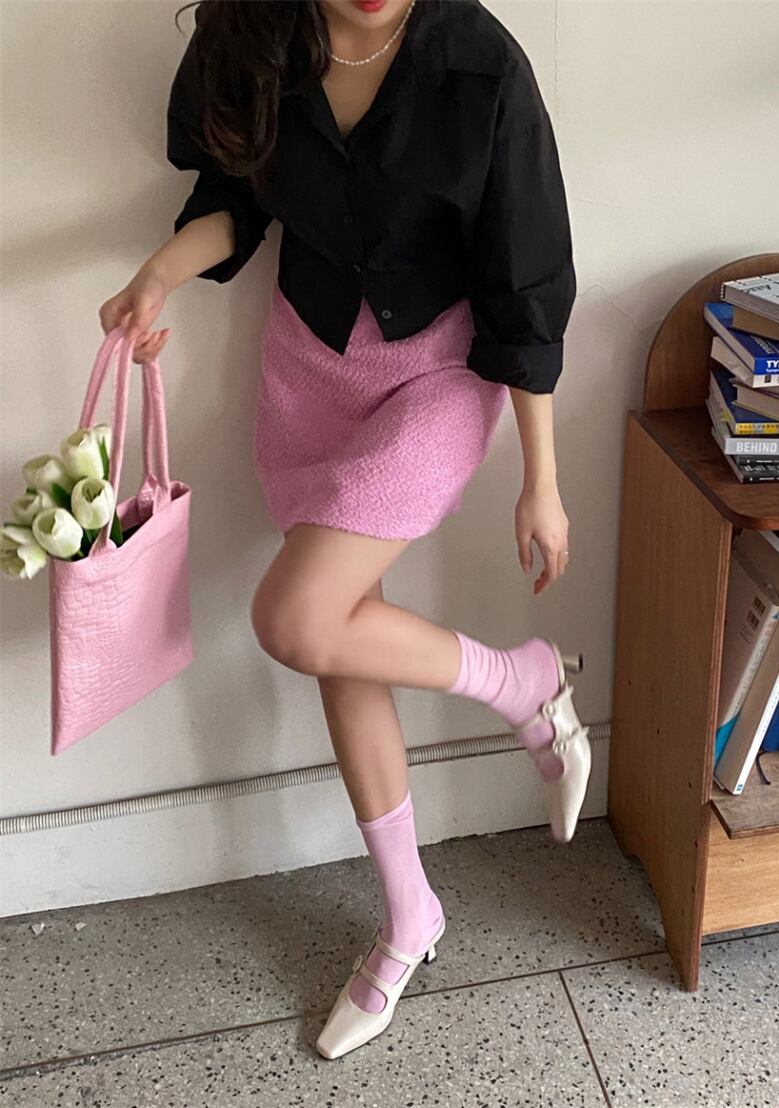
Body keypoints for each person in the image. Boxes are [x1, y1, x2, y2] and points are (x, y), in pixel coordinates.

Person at [99, 0, 590, 1061]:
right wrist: (156, 277)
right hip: (307, 372)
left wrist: (541, 480)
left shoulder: (480, 66)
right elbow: (233, 199)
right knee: (337, 635)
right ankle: (410, 913)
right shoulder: (253, 37)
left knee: (296, 616)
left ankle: (523, 683)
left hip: (437, 373)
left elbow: (524, 279)